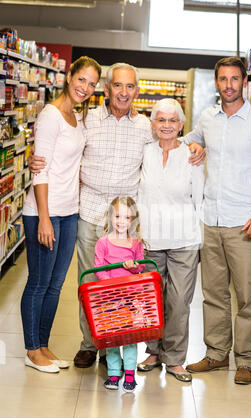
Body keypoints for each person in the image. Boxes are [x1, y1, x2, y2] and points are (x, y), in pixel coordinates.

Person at [29, 62, 204, 369]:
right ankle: (89, 343)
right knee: (91, 283)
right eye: (117, 86)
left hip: (125, 224)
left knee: (123, 286)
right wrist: (37, 158)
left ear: (137, 90)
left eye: (130, 86)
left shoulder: (145, 128)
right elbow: (62, 143)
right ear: (106, 89)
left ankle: (116, 340)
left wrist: (193, 144)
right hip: (90, 213)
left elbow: (170, 136)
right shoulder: (87, 119)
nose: (124, 92)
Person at [183, 57, 251, 385]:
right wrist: (195, 142)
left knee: (246, 295)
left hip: (245, 222)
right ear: (216, 82)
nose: (229, 84)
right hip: (210, 220)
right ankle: (216, 353)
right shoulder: (207, 118)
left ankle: (245, 361)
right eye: (223, 79)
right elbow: (189, 139)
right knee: (213, 293)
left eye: (235, 79)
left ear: (244, 82)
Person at [21, 56, 102, 373]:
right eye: (82, 79)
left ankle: (43, 345)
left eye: (92, 83)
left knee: (55, 286)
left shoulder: (78, 117)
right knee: (38, 283)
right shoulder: (52, 115)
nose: (86, 87)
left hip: (70, 212)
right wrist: (43, 217)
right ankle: (31, 350)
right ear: (69, 76)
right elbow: (40, 171)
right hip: (45, 211)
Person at [137, 98, 205, 382]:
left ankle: (175, 358)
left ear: (181, 125)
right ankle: (153, 351)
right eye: (160, 120)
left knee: (179, 301)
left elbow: (199, 198)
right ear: (153, 124)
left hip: (184, 240)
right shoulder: (145, 152)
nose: (166, 125)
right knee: (152, 298)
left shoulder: (192, 156)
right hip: (150, 239)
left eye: (172, 120)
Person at [94, 196, 145, 392]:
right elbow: (99, 267)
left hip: (130, 298)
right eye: (117, 216)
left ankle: (130, 373)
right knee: (112, 337)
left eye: (127, 217)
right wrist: (111, 285)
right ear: (110, 217)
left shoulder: (136, 243)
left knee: (130, 337)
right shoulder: (103, 242)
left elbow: (140, 266)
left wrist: (133, 267)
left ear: (133, 220)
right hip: (110, 298)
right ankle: (114, 373)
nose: (121, 221)